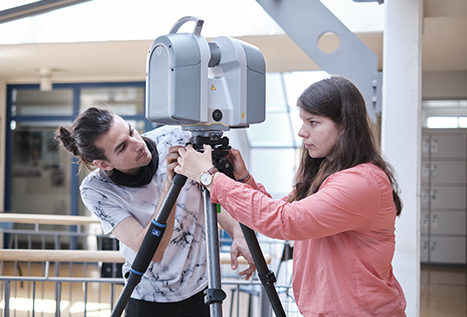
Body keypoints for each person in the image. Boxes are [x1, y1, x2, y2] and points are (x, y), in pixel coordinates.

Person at [174, 75, 407, 317]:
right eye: (302, 121)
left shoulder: (360, 182)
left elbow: (286, 221)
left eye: (313, 122)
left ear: (345, 125)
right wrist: (244, 180)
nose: (301, 132)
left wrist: (209, 177)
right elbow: (278, 209)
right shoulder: (328, 173)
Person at [55, 107, 255, 317]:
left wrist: (239, 234)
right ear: (104, 164)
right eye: (122, 147)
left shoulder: (175, 136)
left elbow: (213, 195)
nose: (138, 144)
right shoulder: (96, 190)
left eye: (131, 131)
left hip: (203, 289)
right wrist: (170, 183)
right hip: (148, 298)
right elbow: (152, 251)